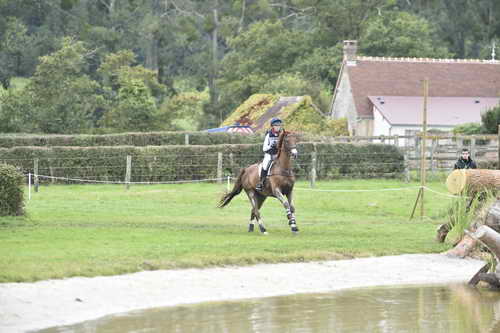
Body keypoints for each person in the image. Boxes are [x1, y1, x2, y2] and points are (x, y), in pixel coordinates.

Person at [256, 118, 283, 191]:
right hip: (269, 154)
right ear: (272, 126)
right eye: (276, 125)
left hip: (279, 154)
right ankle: (261, 183)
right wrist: (271, 146)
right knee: (264, 166)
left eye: (279, 126)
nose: (278, 127)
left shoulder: (282, 133)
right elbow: (264, 148)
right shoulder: (269, 135)